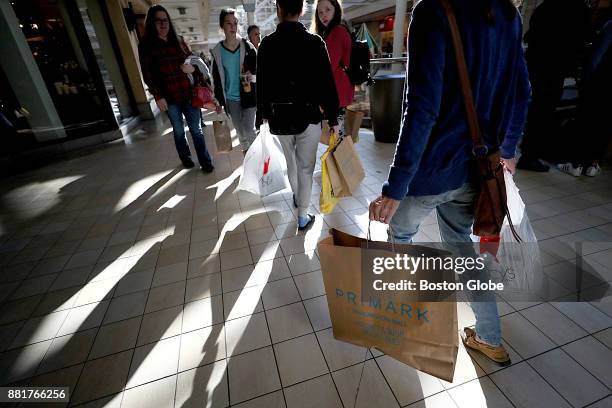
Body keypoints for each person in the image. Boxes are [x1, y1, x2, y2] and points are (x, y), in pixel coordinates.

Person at [369, 0, 531, 365]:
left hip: (432, 170)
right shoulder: (508, 14)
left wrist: (395, 188)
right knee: (460, 245)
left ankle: (401, 325)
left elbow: (422, 106)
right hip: (479, 167)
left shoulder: (434, 11)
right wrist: (507, 150)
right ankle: (489, 337)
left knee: (400, 236)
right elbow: (523, 92)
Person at [258, 0, 340, 231]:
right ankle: (303, 215)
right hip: (308, 115)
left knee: (290, 161)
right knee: (305, 166)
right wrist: (332, 117)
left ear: (279, 9)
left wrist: (262, 115)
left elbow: (262, 84)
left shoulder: (267, 44)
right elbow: (327, 83)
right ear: (302, 10)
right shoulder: (314, 43)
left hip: (279, 116)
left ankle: (297, 196)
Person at [138, 5, 214, 173]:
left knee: (197, 130)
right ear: (151, 23)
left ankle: (205, 160)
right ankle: (185, 157)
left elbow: (192, 61)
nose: (163, 24)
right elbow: (147, 73)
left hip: (188, 93)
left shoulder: (178, 41)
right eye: (158, 21)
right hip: (169, 97)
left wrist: (193, 70)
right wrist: (158, 96)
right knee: (179, 130)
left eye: (165, 20)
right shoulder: (146, 45)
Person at [516, 0, 590, 172]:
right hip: (555, 68)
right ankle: (530, 155)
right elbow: (583, 38)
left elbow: (532, 32)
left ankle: (526, 151)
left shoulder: (547, 6)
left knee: (531, 108)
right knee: (542, 112)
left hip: (536, 63)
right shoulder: (576, 9)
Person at [558, 11, 612, 177]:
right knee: (603, 125)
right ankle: (592, 164)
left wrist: (585, 81)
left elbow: (597, 57)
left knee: (585, 122)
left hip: (599, 84)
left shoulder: (609, 26)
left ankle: (576, 163)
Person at [211, 9, 258, 153]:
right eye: (228, 23)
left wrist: (252, 77)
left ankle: (261, 158)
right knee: (241, 133)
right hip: (231, 99)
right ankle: (248, 158)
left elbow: (259, 75)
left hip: (249, 95)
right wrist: (218, 101)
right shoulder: (217, 51)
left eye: (235, 23)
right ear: (222, 26)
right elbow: (216, 78)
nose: (233, 26)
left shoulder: (248, 47)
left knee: (249, 130)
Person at [312, 0, 353, 137]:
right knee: (339, 143)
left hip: (336, 96)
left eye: (327, 9)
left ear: (336, 9)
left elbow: (326, 68)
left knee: (337, 144)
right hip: (340, 94)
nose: (324, 15)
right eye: (320, 12)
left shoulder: (336, 32)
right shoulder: (338, 30)